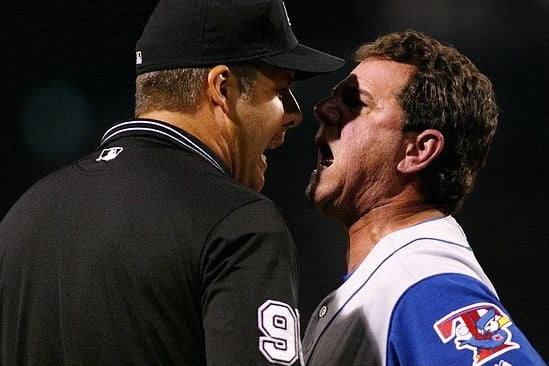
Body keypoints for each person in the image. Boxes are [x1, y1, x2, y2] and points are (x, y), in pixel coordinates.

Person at [0, 0, 344, 365]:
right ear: (222, 88)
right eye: (279, 90)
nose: (293, 114)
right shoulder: (237, 222)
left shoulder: (22, 218)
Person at [301, 30, 546, 366]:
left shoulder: (422, 283)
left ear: (418, 150)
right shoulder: (396, 282)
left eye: (356, 103)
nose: (324, 110)